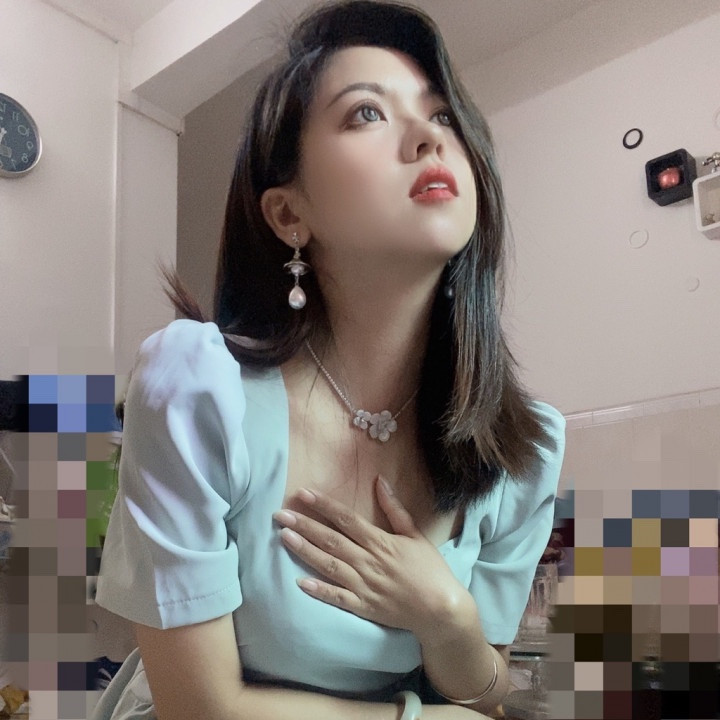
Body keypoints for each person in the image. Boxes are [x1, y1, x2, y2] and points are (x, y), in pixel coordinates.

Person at [91, 1, 566, 719]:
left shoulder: (521, 448)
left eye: (442, 115)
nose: (428, 138)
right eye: (366, 113)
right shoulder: (195, 390)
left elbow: (487, 691)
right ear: (289, 214)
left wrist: (447, 616)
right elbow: (201, 707)